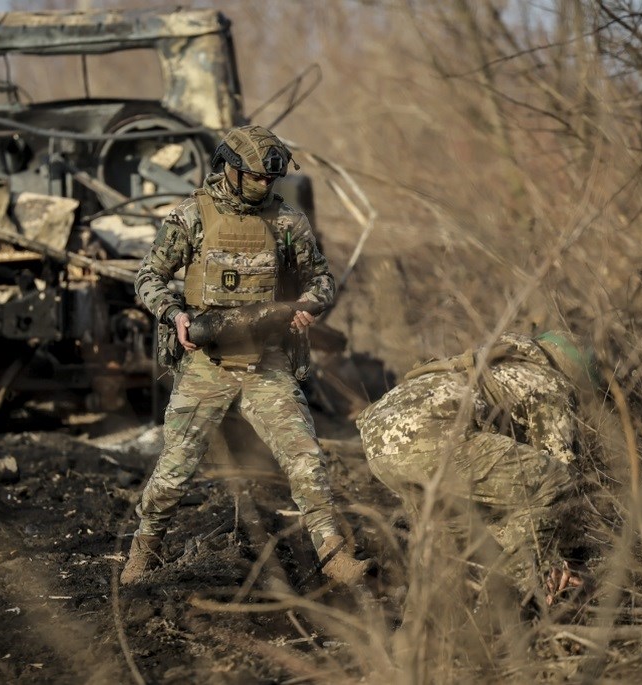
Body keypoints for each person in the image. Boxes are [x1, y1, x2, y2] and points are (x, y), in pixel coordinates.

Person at [121, 125, 369, 586]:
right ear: (230, 170)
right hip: (205, 366)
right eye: (255, 177)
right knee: (173, 476)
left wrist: (308, 308)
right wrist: (174, 315)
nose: (264, 185)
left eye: (270, 179)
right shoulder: (191, 216)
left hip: (266, 364)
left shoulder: (287, 222)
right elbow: (148, 278)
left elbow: (322, 280)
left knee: (306, 460)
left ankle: (334, 555)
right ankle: (144, 549)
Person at [355, 331, 597, 606]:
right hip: (430, 437)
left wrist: (543, 551)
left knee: (448, 537)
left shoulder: (492, 364)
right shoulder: (550, 382)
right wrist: (571, 558)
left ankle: (422, 632)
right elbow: (561, 478)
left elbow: (509, 500)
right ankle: (507, 604)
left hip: (378, 446)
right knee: (554, 480)